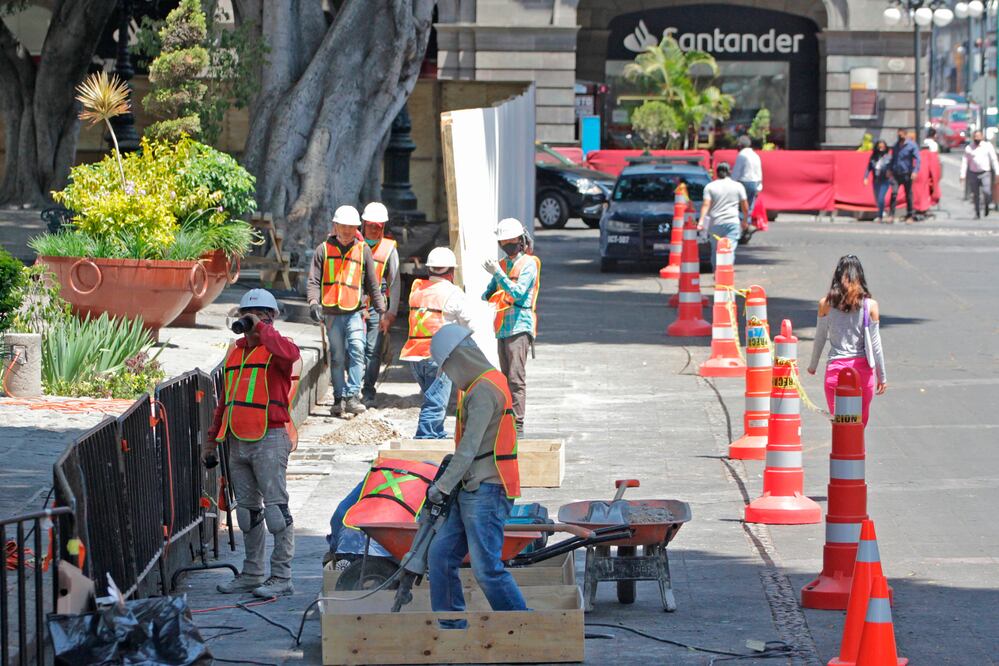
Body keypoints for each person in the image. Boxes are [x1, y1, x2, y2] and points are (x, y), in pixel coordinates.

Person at [425, 324, 526, 627]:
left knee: (486, 569)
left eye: (448, 369)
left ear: (458, 360)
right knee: (441, 556)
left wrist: (441, 486)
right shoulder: (480, 384)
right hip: (470, 488)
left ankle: (523, 628)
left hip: (487, 490)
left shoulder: (484, 390)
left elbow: (468, 448)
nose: (450, 377)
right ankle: (451, 627)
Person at [203, 289, 301, 597]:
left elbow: (291, 355)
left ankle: (282, 577)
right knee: (247, 513)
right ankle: (252, 573)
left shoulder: (279, 348)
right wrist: (210, 441)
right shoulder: (234, 354)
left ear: (270, 318)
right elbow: (225, 401)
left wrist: (263, 330)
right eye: (248, 315)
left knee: (276, 511)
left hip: (270, 438)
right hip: (238, 440)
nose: (251, 321)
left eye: (258, 315)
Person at [307, 205, 387, 417]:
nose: (346, 231)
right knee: (337, 357)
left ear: (356, 228)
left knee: (358, 349)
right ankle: (339, 399)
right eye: (343, 227)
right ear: (335, 226)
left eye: (351, 228)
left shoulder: (363, 250)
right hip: (332, 313)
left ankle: (353, 396)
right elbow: (313, 281)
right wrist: (313, 303)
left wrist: (382, 310)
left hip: (354, 311)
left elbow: (372, 284)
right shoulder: (323, 250)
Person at [399, 246, 474, 439]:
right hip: (437, 357)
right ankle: (426, 439)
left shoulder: (417, 289)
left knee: (431, 397)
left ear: (429, 269)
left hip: (415, 356)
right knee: (435, 404)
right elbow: (469, 324)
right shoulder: (453, 293)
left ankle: (436, 435)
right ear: (451, 271)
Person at [806, 255, 887, 427]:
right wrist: (882, 376)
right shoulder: (870, 306)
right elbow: (875, 345)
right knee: (858, 428)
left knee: (840, 429)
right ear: (860, 277)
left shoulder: (825, 304)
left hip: (836, 373)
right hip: (862, 374)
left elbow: (820, 337)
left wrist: (813, 366)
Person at [482, 218, 540, 435]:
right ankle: (506, 423)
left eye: (510, 240)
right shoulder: (503, 264)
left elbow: (517, 292)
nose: (507, 245)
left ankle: (517, 425)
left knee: (516, 378)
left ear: (520, 240)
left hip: (519, 327)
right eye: (503, 241)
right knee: (505, 378)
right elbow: (488, 293)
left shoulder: (529, 264)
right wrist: (490, 287)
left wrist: (498, 273)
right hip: (503, 328)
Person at [359, 202, 401, 404]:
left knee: (373, 350)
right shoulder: (354, 244)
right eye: (371, 225)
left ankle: (368, 391)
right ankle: (353, 388)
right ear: (364, 224)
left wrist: (391, 313)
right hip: (354, 304)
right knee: (354, 347)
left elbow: (395, 282)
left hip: (377, 307)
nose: (374, 230)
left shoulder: (389, 249)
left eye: (378, 226)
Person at [697, 162, 749, 268]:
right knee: (729, 249)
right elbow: (745, 205)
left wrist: (701, 221)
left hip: (716, 223)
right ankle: (727, 272)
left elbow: (706, 204)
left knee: (716, 249)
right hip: (732, 222)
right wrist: (745, 220)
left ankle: (717, 271)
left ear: (716, 173)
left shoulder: (710, 187)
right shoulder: (738, 186)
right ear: (729, 172)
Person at [959, 129, 999, 219]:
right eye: (975, 137)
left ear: (982, 137)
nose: (977, 138)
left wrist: (997, 172)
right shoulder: (969, 148)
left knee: (987, 192)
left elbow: (993, 159)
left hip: (985, 173)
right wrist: (962, 175)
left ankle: (987, 206)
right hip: (973, 173)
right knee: (975, 194)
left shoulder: (987, 146)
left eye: (978, 136)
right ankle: (977, 212)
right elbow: (965, 162)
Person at [888, 127, 920, 223]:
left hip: (907, 173)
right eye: (898, 135)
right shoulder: (896, 146)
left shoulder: (911, 145)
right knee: (894, 193)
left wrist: (915, 171)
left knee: (908, 195)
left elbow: (917, 159)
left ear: (905, 135)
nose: (899, 137)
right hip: (896, 173)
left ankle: (910, 215)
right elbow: (892, 158)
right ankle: (891, 215)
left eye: (901, 135)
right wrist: (889, 169)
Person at [731, 135, 763, 216]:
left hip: (744, 183)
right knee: (749, 208)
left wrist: (731, 183)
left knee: (741, 208)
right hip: (754, 183)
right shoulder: (755, 155)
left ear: (740, 145)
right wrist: (759, 187)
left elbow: (736, 172)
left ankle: (742, 221)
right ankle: (747, 221)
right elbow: (759, 172)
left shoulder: (742, 155)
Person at [863, 140, 893, 223]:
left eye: (883, 147)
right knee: (877, 198)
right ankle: (882, 211)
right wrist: (865, 177)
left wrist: (890, 172)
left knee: (881, 198)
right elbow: (869, 167)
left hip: (884, 180)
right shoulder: (873, 157)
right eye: (879, 147)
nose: (881, 149)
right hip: (876, 180)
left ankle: (880, 216)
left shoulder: (889, 157)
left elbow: (892, 167)